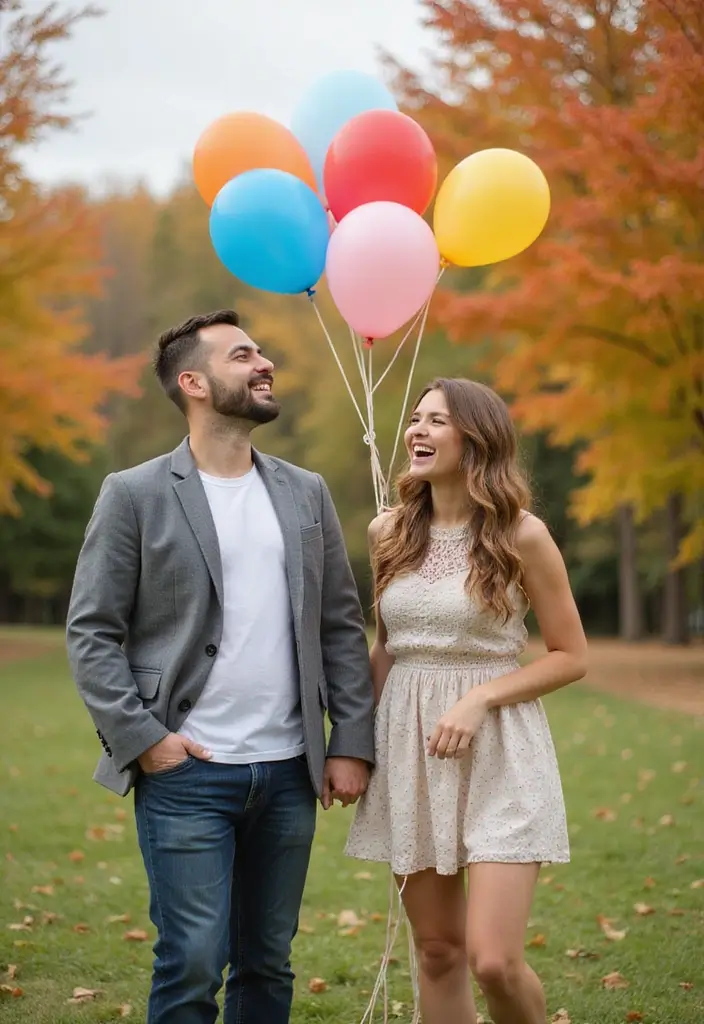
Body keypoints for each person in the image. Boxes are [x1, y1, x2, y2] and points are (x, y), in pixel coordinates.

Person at [66, 309, 375, 1024]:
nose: (265, 363)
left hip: (290, 771)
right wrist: (144, 740)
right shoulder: (134, 493)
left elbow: (338, 624)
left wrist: (351, 741)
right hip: (186, 774)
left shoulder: (306, 491)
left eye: (261, 352)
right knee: (193, 963)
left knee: (268, 961)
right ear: (193, 382)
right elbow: (91, 630)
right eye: (243, 355)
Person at [346, 377, 588, 1024]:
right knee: (437, 952)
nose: (417, 430)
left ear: (476, 440)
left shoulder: (522, 534)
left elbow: (571, 655)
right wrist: (352, 746)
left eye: (437, 421)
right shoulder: (387, 532)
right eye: (416, 418)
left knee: (494, 961)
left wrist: (481, 697)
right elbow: (387, 647)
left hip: (502, 750)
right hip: (411, 748)